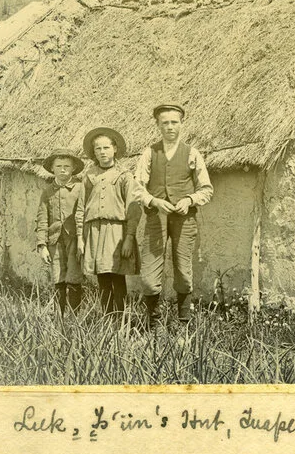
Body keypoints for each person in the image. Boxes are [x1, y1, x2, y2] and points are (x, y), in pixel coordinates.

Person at [134, 104, 213, 327]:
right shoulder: (149, 153)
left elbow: (206, 189)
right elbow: (137, 188)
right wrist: (154, 201)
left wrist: (189, 201)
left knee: (183, 269)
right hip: (155, 218)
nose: (170, 127)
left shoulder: (192, 153)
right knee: (150, 274)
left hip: (184, 219)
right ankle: (154, 325)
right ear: (158, 125)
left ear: (181, 124)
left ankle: (183, 324)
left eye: (174, 122)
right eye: (165, 123)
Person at [75, 127, 141, 318]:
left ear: (114, 149)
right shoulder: (89, 176)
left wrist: (129, 237)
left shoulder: (124, 176)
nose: (102, 152)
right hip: (94, 231)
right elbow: (81, 208)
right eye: (98, 149)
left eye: (106, 147)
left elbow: (134, 209)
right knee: (102, 277)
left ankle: (121, 320)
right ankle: (107, 320)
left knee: (117, 276)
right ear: (94, 153)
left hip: (117, 232)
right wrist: (80, 237)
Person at [35, 148, 85, 316]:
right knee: (58, 276)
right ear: (53, 169)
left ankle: (74, 318)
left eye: (67, 166)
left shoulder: (80, 188)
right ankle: (59, 317)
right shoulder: (48, 192)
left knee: (74, 276)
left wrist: (82, 239)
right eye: (59, 166)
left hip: (74, 240)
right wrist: (42, 245)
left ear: (73, 169)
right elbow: (42, 219)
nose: (63, 169)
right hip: (54, 240)